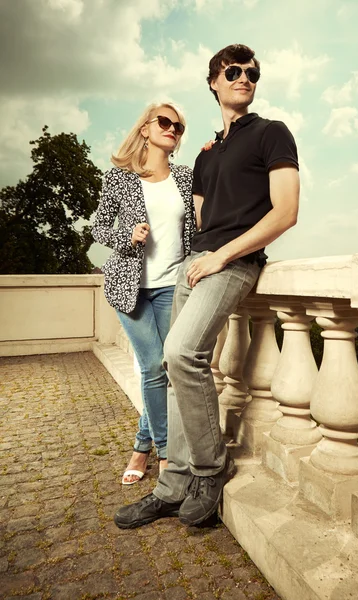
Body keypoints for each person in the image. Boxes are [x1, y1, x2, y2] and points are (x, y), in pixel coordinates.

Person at [114, 43, 300, 526]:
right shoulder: (207, 154)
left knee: (181, 354)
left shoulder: (272, 133)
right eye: (234, 70)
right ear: (214, 81)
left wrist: (222, 256)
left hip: (233, 264)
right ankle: (171, 485)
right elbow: (199, 218)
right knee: (175, 376)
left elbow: (286, 212)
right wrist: (197, 255)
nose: (245, 77)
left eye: (252, 72)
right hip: (195, 263)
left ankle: (208, 470)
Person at [92, 102, 196, 485]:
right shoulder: (119, 178)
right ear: (146, 129)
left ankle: (141, 445)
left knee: (168, 368)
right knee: (152, 366)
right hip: (129, 287)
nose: (173, 129)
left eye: (179, 127)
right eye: (165, 122)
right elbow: (98, 228)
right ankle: (166, 456)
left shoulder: (185, 177)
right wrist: (126, 235)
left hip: (172, 286)